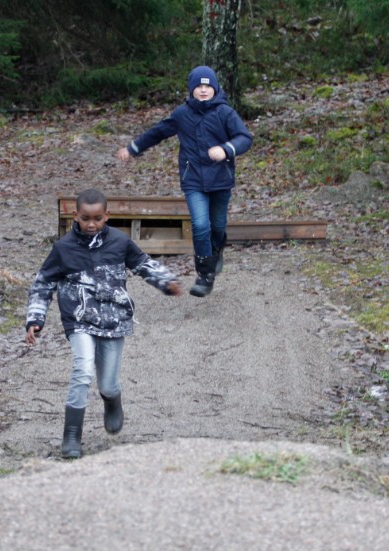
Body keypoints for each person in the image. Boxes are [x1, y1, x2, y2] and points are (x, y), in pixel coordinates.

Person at [25, 188, 183, 459]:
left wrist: (166, 282)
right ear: (75, 215)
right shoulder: (63, 249)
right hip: (79, 319)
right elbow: (43, 284)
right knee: (83, 371)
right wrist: (35, 318)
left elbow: (143, 263)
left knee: (107, 384)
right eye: (85, 218)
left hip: (113, 318)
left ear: (107, 215)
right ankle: (72, 435)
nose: (91, 224)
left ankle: (112, 400)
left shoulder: (120, 242)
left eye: (97, 218)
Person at [116, 65, 253, 297]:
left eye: (207, 86)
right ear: (191, 90)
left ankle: (217, 250)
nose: (203, 90)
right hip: (193, 180)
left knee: (217, 226)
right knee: (200, 226)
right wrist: (133, 148)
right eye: (198, 86)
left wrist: (226, 149)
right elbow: (158, 132)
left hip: (221, 178)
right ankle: (204, 276)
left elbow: (244, 138)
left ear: (215, 88)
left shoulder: (225, 113)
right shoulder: (182, 114)